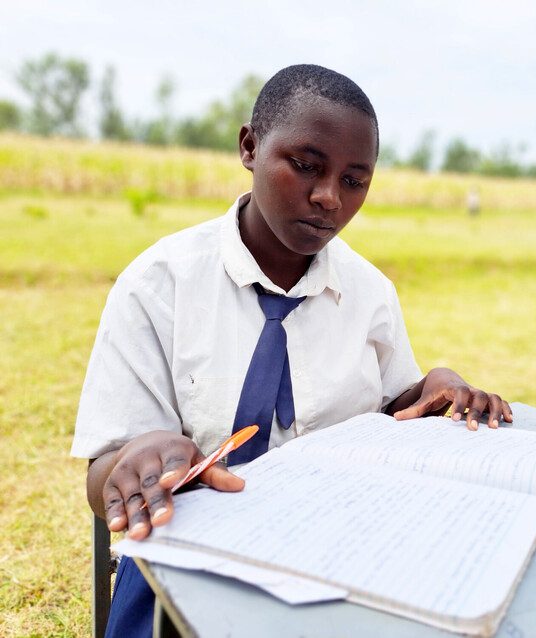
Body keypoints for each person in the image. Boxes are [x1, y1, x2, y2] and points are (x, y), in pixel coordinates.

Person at [71, 64, 512, 637]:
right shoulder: (158, 286)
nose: (328, 197)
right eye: (305, 166)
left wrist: (432, 387)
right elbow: (100, 477)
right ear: (250, 146)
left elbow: (392, 407)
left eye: (355, 181)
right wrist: (134, 463)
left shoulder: (370, 293)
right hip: (190, 554)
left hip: (336, 547)